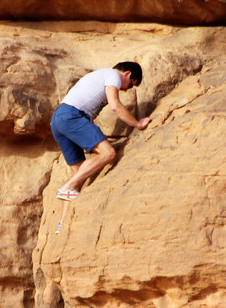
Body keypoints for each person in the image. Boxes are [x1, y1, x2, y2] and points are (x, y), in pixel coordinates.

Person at [50, 61, 151, 202]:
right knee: (108, 153)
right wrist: (138, 123)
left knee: (78, 178)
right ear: (127, 74)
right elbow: (115, 105)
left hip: (58, 119)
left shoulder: (98, 75)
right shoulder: (113, 75)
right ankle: (67, 187)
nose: (127, 90)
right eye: (130, 84)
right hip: (71, 116)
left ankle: (62, 222)